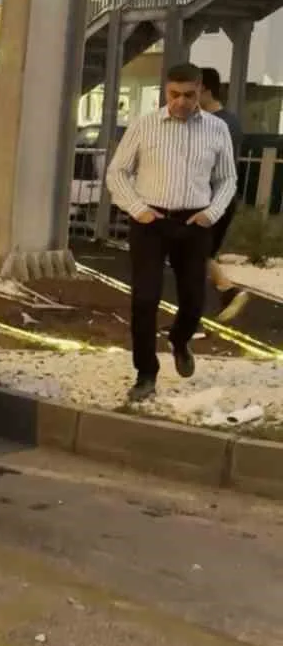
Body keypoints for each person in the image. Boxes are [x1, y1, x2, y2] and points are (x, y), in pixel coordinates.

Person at [106, 62, 237, 403]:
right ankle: (145, 373)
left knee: (194, 300)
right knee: (145, 299)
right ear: (166, 92)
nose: (180, 101)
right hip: (151, 222)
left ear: (200, 91)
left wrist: (211, 213)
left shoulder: (216, 129)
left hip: (194, 223)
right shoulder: (144, 126)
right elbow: (117, 172)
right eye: (174, 95)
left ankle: (180, 339)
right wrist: (137, 209)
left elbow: (227, 179)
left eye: (188, 95)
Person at [200, 66, 249, 321]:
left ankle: (226, 291)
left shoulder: (218, 124)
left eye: (192, 92)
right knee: (199, 254)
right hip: (219, 197)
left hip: (212, 199)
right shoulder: (229, 121)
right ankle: (226, 290)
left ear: (205, 90)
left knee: (193, 254)